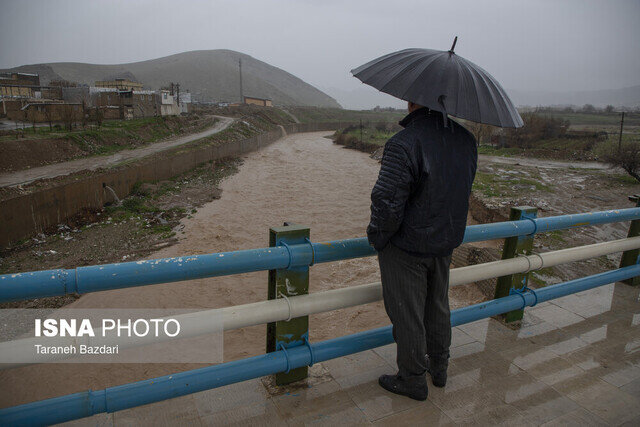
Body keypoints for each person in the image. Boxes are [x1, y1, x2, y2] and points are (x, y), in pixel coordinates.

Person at [367, 101, 477, 401]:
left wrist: (378, 238)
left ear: (413, 101)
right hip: (445, 242)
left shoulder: (404, 143)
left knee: (408, 315)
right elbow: (461, 189)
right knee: (438, 305)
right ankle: (439, 368)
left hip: (407, 246)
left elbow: (387, 203)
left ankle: (413, 378)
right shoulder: (466, 140)